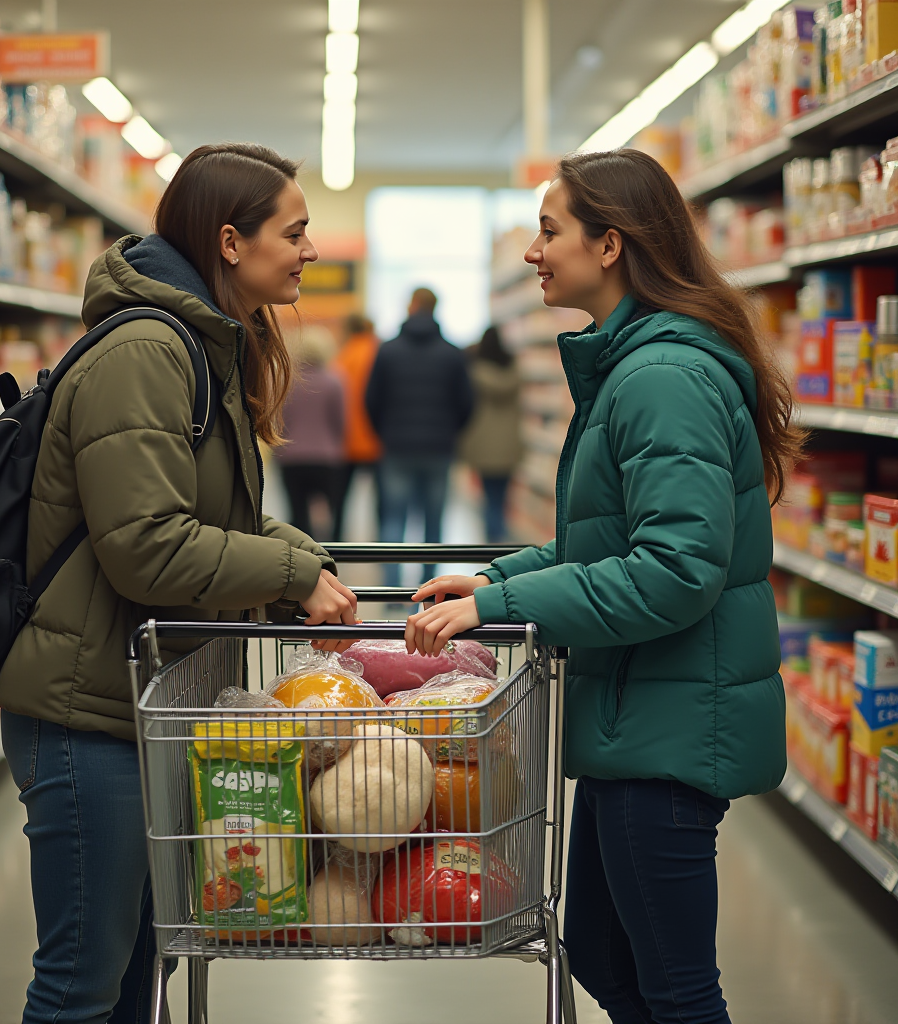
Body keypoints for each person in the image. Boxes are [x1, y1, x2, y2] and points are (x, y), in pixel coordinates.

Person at [406, 149, 798, 1024]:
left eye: (551, 231)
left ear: (611, 244)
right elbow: (611, 542)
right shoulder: (633, 366)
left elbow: (674, 571)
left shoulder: (660, 378)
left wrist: (502, 607)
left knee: (677, 991)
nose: (533, 253)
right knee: (608, 959)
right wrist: (499, 577)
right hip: (639, 717)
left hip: (667, 730)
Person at [0, 143, 358, 1024]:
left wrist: (303, 559)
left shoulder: (201, 344)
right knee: (82, 983)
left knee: (136, 977)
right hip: (87, 717)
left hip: (139, 702)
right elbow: (147, 549)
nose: (311, 250)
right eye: (296, 230)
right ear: (230, 242)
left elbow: (207, 517)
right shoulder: (150, 350)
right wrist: (291, 570)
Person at [364, 287, 474, 586]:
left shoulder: (387, 350)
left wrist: (385, 432)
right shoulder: (453, 353)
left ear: (411, 306)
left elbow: (371, 399)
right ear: (435, 308)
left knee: (393, 518)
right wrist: (450, 431)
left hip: (397, 446)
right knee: (433, 521)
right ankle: (428, 588)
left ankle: (391, 589)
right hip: (439, 448)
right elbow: (466, 403)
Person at [275, 323, 346, 540]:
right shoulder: (334, 380)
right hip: (326, 457)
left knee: (297, 513)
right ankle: (333, 554)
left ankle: (302, 555)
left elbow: (279, 420)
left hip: (291, 456)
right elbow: (340, 421)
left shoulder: (287, 380)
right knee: (334, 511)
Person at [459, 325, 523, 542]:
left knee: (488, 496)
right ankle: (501, 536)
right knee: (502, 496)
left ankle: (492, 540)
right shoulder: (514, 368)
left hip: (484, 443)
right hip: (509, 443)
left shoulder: (473, 372)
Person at [332, 313, 383, 537]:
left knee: (340, 501)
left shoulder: (342, 357)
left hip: (346, 440)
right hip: (378, 439)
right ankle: (383, 544)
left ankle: (336, 543)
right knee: (383, 502)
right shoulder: (380, 353)